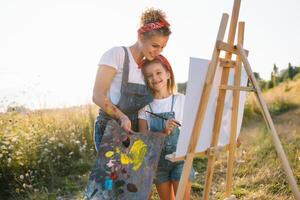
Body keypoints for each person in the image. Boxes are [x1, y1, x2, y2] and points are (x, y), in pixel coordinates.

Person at [92, 8, 172, 152]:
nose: (158, 51)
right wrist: (122, 117)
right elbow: (97, 95)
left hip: (134, 133)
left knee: (134, 175)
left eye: (162, 47)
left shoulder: (148, 68)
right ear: (140, 37)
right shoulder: (117, 55)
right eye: (155, 45)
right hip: (110, 129)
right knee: (113, 175)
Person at [138, 55, 195, 200]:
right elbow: (144, 139)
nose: (155, 78)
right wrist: (163, 131)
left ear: (168, 74)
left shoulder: (181, 100)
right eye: (149, 75)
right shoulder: (144, 107)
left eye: (158, 73)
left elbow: (198, 126)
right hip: (158, 164)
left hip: (180, 159)